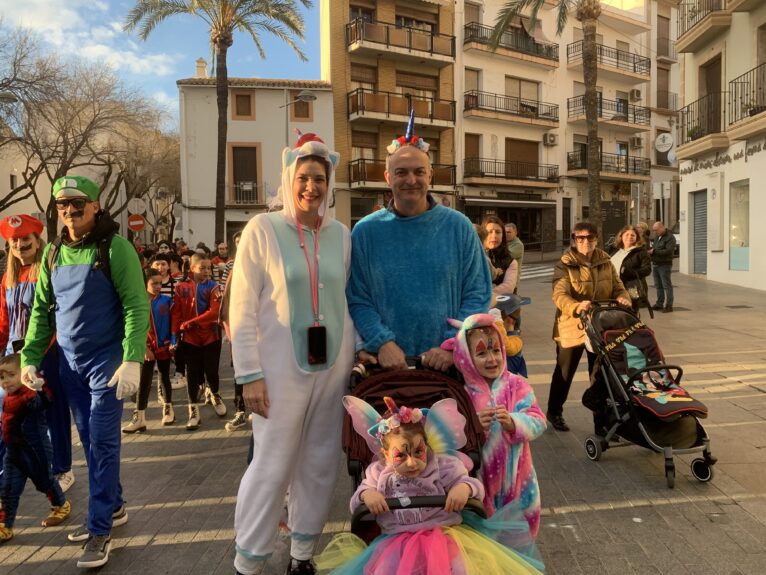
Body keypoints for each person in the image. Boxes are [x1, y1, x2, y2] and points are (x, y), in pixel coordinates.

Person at [230, 133, 355, 575]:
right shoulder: (262, 230)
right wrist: (248, 374)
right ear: (289, 179)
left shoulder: (341, 235)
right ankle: (249, 558)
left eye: (319, 178)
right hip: (278, 371)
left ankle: (302, 554)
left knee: (319, 462)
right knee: (271, 462)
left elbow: (346, 299)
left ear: (329, 182)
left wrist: (356, 355)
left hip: (333, 365)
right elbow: (241, 307)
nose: (311, 187)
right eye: (303, 177)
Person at [21, 175, 149, 568]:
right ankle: (113, 507)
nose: (71, 214)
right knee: (91, 441)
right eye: (63, 207)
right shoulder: (53, 252)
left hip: (107, 366)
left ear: (95, 206)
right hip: (69, 365)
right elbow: (42, 309)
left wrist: (132, 358)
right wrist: (29, 356)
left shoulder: (117, 248)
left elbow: (136, 306)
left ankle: (99, 531)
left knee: (101, 445)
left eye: (78, 206)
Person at [315, 396, 544, 574]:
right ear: (385, 453)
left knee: (459, 568)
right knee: (385, 570)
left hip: (442, 533)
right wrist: (367, 496)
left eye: (418, 451)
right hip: (396, 539)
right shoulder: (377, 473)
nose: (412, 461)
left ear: (427, 444)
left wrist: (462, 489)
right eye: (400, 456)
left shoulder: (442, 465)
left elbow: (471, 482)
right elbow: (357, 501)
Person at [347, 127, 491, 371]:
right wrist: (382, 342)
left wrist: (451, 345)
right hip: (386, 367)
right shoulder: (365, 232)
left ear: (430, 175)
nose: (411, 180)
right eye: (401, 172)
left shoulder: (459, 227)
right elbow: (358, 299)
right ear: (388, 177)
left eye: (419, 172)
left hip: (448, 367)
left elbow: (478, 294)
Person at [0, 214, 76, 494]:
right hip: (13, 357)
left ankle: (63, 469)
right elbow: (4, 319)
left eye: (25, 240)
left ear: (37, 241)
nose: (20, 245)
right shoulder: (8, 277)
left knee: (53, 411)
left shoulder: (47, 271)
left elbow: (56, 317)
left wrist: (41, 352)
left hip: (48, 353)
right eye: (15, 241)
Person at [451, 314, 545, 537]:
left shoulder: (517, 384)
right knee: (485, 537)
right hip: (481, 482)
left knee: (520, 535)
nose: (491, 359)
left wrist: (514, 423)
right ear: (466, 357)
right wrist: (473, 426)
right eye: (482, 353)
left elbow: (538, 420)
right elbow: (452, 438)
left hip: (519, 480)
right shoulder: (463, 395)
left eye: (495, 351)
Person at [546, 222, 631, 432]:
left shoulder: (605, 260)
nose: (586, 242)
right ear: (574, 239)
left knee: (599, 375)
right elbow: (559, 294)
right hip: (572, 325)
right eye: (580, 238)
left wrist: (623, 296)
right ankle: (554, 411)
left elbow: (618, 286)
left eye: (590, 238)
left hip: (600, 326)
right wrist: (576, 306)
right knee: (565, 373)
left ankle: (601, 423)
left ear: (597, 239)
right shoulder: (565, 263)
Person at [0, 353, 71, 544]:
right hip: (13, 452)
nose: (6, 381)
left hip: (35, 451)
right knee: (8, 489)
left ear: (22, 374)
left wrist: (39, 390)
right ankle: (5, 526)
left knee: (44, 482)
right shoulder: (8, 397)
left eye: (11, 375)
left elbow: (46, 402)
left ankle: (61, 505)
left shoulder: (30, 393)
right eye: (1, 377)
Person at [171, 253, 225, 429]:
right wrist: (174, 336)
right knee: (192, 374)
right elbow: (176, 313)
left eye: (209, 268)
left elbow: (214, 312)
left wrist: (191, 322)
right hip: (190, 338)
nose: (207, 272)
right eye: (202, 268)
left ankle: (215, 394)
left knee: (212, 371)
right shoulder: (181, 287)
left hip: (210, 336)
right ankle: (193, 409)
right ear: (192, 268)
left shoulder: (214, 286)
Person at [123, 269, 174, 432]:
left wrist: (173, 342)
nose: (159, 286)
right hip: (146, 348)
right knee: (143, 382)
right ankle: (140, 417)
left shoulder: (167, 301)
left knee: (164, 377)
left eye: (160, 283)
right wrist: (143, 347)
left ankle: (168, 408)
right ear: (145, 283)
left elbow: (173, 323)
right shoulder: (138, 303)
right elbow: (131, 327)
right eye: (154, 283)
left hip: (164, 346)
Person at [610, 225, 652, 316]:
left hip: (630, 289)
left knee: (629, 315)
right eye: (627, 234)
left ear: (637, 238)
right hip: (613, 288)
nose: (630, 237)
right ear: (621, 236)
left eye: (633, 235)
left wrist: (630, 272)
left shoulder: (640, 252)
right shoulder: (615, 251)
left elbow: (647, 270)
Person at [483, 216, 518, 296]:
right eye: (489, 232)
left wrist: (482, 295)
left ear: (503, 236)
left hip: (502, 306)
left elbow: (508, 288)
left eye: (498, 232)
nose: (494, 236)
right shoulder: (473, 256)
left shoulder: (511, 262)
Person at [649, 221, 677, 313]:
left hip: (664, 265)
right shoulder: (658, 237)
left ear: (662, 227)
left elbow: (668, 251)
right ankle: (659, 303)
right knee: (658, 286)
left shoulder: (670, 238)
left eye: (656, 230)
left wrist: (654, 252)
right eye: (654, 230)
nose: (655, 232)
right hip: (656, 264)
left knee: (667, 286)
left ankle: (669, 306)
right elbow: (655, 247)